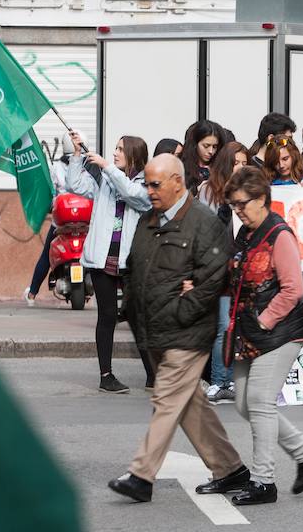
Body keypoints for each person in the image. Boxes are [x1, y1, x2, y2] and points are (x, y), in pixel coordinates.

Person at [108, 154, 248, 504]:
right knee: (189, 405)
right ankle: (231, 470)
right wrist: (133, 308)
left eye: (156, 184)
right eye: (147, 184)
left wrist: (180, 309)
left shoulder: (204, 222)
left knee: (167, 399)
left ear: (177, 181)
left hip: (188, 331)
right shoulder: (148, 219)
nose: (149, 191)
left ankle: (142, 475)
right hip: (154, 329)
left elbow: (214, 278)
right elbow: (134, 266)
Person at [222, 166, 303, 505]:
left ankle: (263, 481)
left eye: (242, 204)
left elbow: (293, 289)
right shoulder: (247, 233)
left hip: (280, 331)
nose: (238, 211)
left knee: (259, 403)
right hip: (251, 331)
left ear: (262, 199)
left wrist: (265, 322)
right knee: (243, 404)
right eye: (234, 205)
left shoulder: (279, 235)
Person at [66, 132, 154, 394]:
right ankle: (106, 376)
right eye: (114, 148)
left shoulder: (145, 184)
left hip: (130, 262)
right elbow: (76, 185)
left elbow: (133, 196)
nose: (115, 153)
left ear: (134, 156)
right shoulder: (105, 179)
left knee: (139, 318)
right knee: (106, 317)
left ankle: (153, 375)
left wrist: (106, 167)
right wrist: (78, 155)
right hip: (102, 259)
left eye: (120, 149)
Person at [197, 141, 249, 405]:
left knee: (235, 328)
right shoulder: (209, 191)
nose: (240, 167)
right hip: (217, 269)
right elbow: (203, 230)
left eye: (244, 162)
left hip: (242, 267)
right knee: (222, 327)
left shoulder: (249, 191)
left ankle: (231, 380)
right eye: (236, 162)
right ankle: (220, 381)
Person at [24, 153, 70, 306]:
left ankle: (32, 294)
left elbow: (50, 191)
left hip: (61, 221)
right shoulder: (87, 165)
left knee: (46, 256)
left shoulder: (56, 168)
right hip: (84, 221)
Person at [182, 120, 224, 195]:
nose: (211, 151)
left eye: (214, 147)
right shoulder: (182, 168)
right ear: (195, 144)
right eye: (206, 146)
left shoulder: (220, 167)